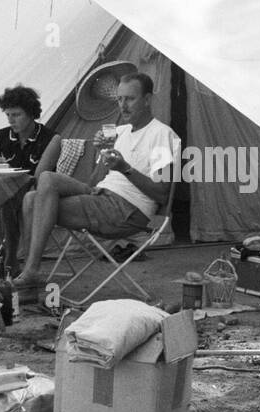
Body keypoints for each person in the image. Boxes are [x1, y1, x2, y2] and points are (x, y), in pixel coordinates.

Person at [14, 72, 180, 301]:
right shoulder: (119, 132)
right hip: (101, 197)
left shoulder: (161, 135)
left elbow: (161, 193)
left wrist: (125, 168)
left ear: (148, 100)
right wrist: (101, 155)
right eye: (120, 99)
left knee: (40, 194)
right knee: (35, 193)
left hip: (127, 210)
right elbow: (94, 182)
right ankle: (30, 273)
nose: (123, 105)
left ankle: (30, 272)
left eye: (130, 99)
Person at [0, 85, 54, 271]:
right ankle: (11, 259)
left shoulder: (50, 138)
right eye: (8, 115)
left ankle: (13, 259)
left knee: (12, 200)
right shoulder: (2, 136)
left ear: (31, 113)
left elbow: (38, 177)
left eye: (16, 115)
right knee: (3, 198)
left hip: (37, 194)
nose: (11, 120)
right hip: (7, 192)